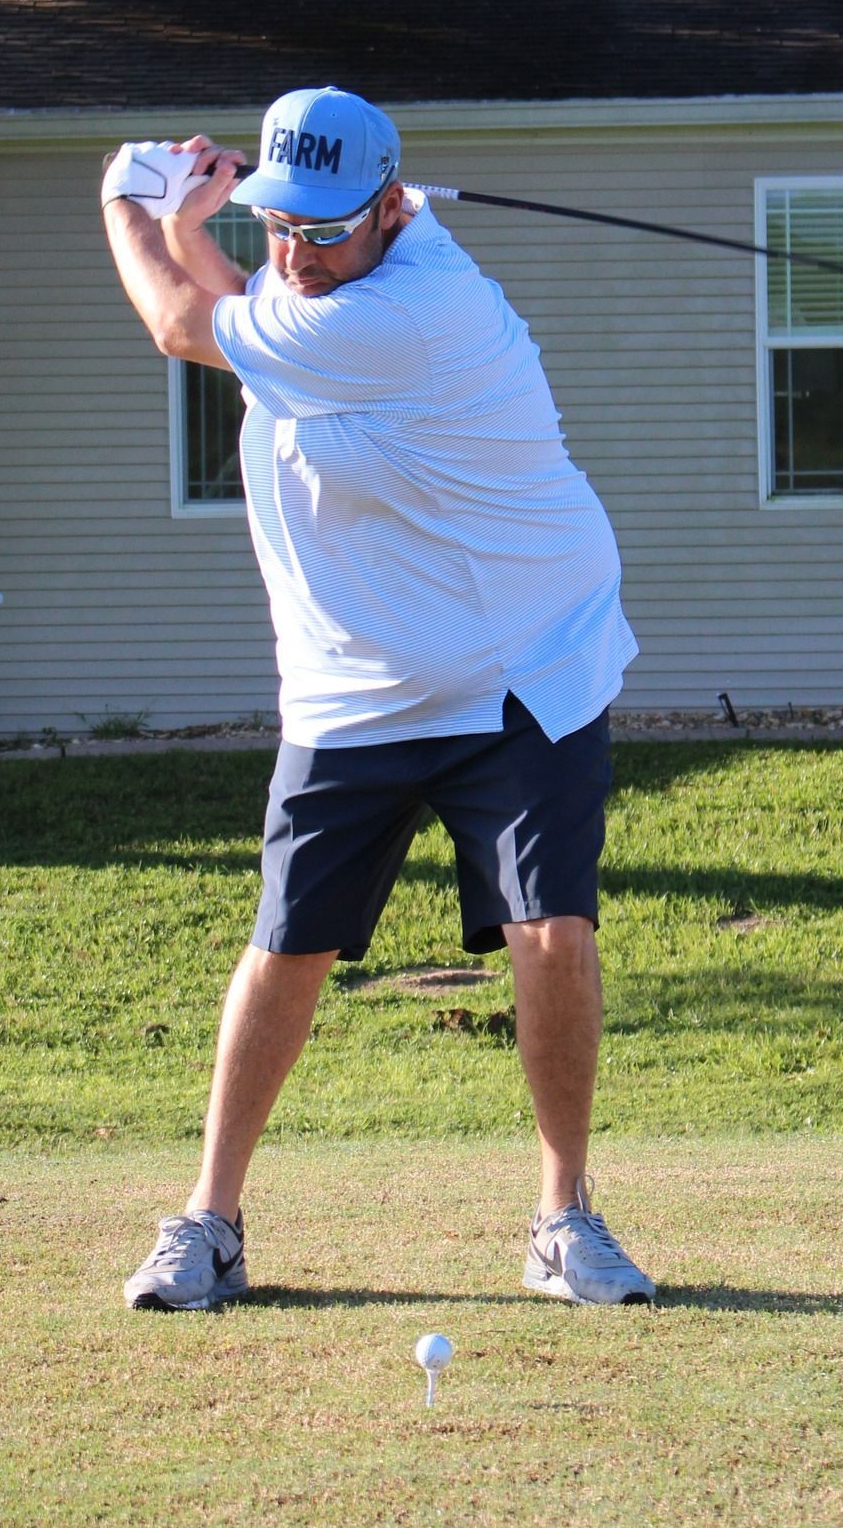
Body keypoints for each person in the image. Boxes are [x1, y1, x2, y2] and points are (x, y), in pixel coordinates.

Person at [101, 85, 651, 1310]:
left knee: (551, 929)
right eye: (278, 226)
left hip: (520, 661)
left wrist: (130, 202)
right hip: (355, 683)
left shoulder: (414, 315)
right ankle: (211, 1222)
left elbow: (183, 318)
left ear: (393, 207)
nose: (294, 254)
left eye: (323, 231)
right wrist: (207, 217)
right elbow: (234, 300)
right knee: (286, 948)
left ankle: (563, 1217)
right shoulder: (320, 286)